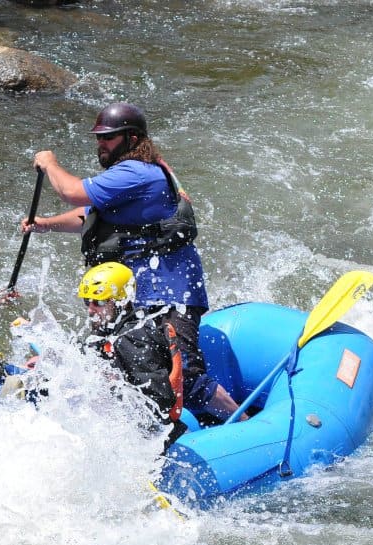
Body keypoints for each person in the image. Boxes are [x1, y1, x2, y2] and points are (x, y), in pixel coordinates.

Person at [20, 101, 240, 421]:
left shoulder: (136, 172)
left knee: (185, 375)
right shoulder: (130, 175)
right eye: (98, 138)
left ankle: (243, 424)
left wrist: (49, 163)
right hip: (139, 290)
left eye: (108, 137)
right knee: (114, 359)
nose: (101, 144)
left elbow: (72, 191)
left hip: (169, 290)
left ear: (133, 139)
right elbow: (89, 215)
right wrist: (44, 224)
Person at [77, 262, 188, 451]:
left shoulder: (132, 339)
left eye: (100, 302)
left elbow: (159, 401)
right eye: (87, 302)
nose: (90, 310)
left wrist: (112, 387)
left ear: (121, 301)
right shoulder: (110, 330)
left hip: (151, 440)